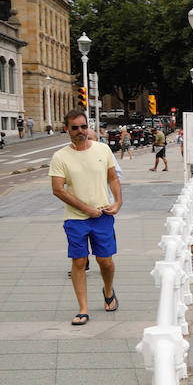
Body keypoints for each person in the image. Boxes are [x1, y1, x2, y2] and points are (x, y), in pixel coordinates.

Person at [50, 108, 122, 326]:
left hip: (102, 214)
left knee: (105, 261)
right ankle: (83, 308)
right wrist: (85, 209)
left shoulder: (103, 149)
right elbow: (58, 189)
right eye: (75, 128)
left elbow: (113, 179)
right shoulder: (60, 157)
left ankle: (108, 290)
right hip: (75, 218)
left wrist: (118, 202)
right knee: (79, 261)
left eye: (83, 126)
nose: (80, 131)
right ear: (66, 129)